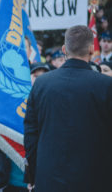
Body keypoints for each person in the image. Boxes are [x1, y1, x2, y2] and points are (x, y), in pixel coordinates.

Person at [24, 25, 112, 191]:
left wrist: (33, 175)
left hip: (49, 179)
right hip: (95, 180)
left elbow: (31, 136)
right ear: (92, 50)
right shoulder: (106, 85)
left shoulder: (41, 84)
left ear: (64, 49)